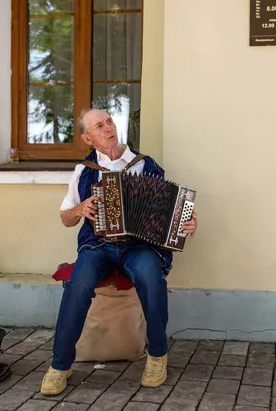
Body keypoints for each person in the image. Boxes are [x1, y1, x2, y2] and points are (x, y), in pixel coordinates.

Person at [40, 109, 198, 395]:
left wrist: (186, 222)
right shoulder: (83, 171)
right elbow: (65, 218)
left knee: (151, 278)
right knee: (77, 286)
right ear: (88, 138)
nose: (108, 127)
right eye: (99, 126)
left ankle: (158, 355)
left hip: (138, 247)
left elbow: (170, 213)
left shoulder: (144, 165)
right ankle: (60, 365)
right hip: (97, 246)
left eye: (109, 121)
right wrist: (79, 209)